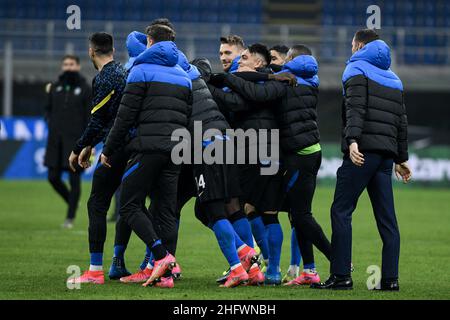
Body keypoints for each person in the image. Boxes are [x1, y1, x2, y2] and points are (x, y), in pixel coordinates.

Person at [221, 44, 333, 286]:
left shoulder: (281, 83)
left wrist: (226, 80)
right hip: (288, 153)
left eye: (275, 59)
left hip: (275, 151)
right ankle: (292, 269)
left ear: (287, 61)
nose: (272, 63)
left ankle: (260, 266)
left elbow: (254, 96)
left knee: (252, 208)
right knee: (278, 213)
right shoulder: (307, 82)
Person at [311, 29, 411, 291]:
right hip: (385, 158)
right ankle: (390, 280)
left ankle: (341, 276)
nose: (351, 49)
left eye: (352, 45)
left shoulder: (356, 69)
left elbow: (356, 108)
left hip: (361, 153)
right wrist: (401, 157)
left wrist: (352, 140)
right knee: (387, 219)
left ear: (358, 45)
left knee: (341, 211)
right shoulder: (394, 78)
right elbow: (401, 121)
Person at [100, 24, 192, 289]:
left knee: (128, 204)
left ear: (150, 41)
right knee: (166, 211)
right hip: (176, 150)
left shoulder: (139, 70)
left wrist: (109, 148)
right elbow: (187, 116)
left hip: (148, 148)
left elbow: (125, 115)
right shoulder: (182, 74)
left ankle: (162, 257)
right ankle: (165, 278)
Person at [67, 32, 132, 285]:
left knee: (97, 204)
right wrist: (91, 144)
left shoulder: (104, 78)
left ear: (91, 52)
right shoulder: (125, 73)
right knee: (133, 205)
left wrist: (78, 147)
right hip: (134, 146)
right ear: (113, 51)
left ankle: (95, 270)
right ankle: (139, 261)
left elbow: (98, 120)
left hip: (115, 149)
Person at [44, 54, 91, 229]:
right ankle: (72, 201)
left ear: (77, 66)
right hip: (55, 141)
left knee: (74, 179)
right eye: (65, 64)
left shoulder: (86, 88)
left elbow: (89, 117)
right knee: (52, 177)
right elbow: (47, 110)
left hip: (76, 142)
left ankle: (70, 218)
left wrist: (88, 143)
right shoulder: (54, 87)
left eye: (71, 64)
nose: (68, 67)